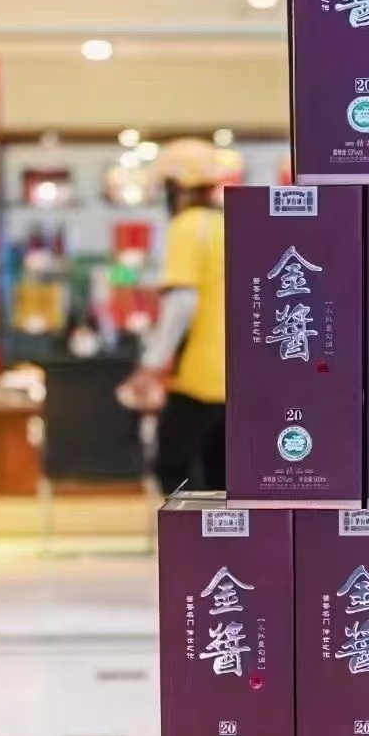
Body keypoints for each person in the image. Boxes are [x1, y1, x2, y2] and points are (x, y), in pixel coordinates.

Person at [122, 137, 236, 494]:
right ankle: (225, 533)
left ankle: (192, 533)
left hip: (197, 376)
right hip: (235, 376)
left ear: (176, 186)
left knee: (172, 468)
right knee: (222, 476)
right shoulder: (226, 224)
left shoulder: (188, 227)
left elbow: (182, 302)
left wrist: (151, 365)